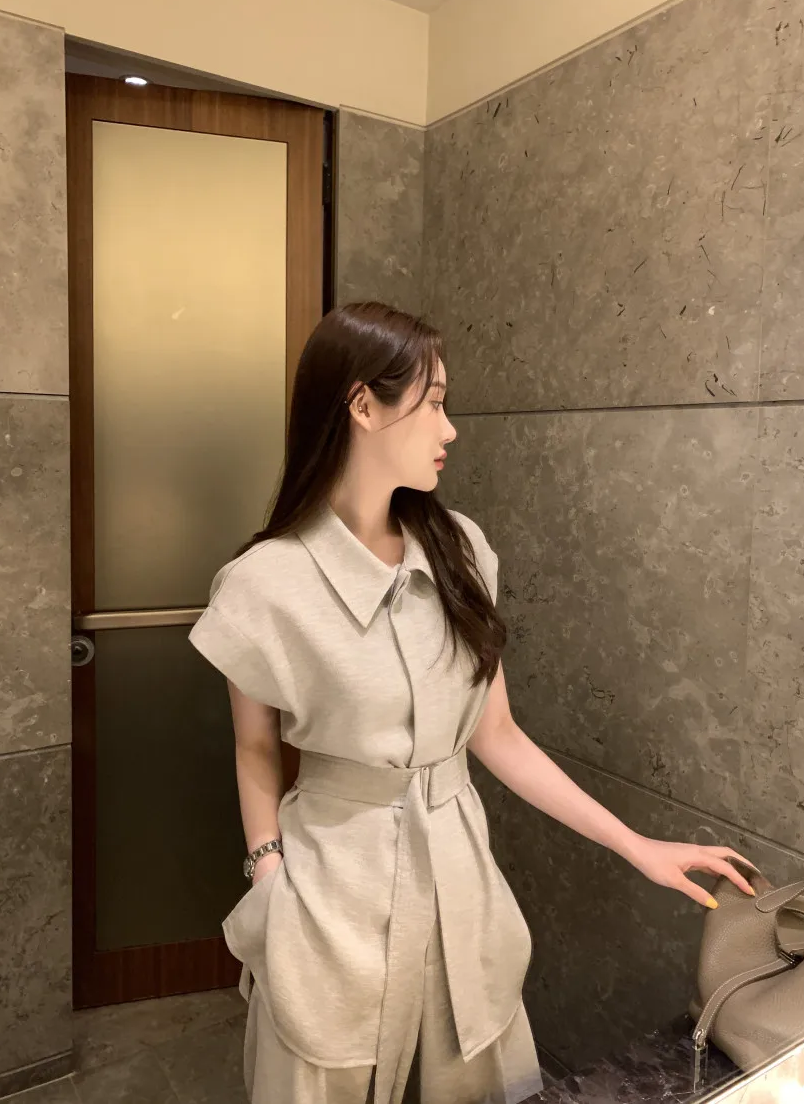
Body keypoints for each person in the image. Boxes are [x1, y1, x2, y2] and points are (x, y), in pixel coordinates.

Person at [188, 302, 756, 1104]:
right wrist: (269, 878)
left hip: (461, 884)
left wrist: (637, 845)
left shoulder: (461, 549)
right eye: (434, 403)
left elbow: (499, 735)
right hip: (330, 894)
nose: (450, 428)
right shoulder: (263, 584)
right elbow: (254, 748)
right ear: (363, 405)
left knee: (477, 1073)